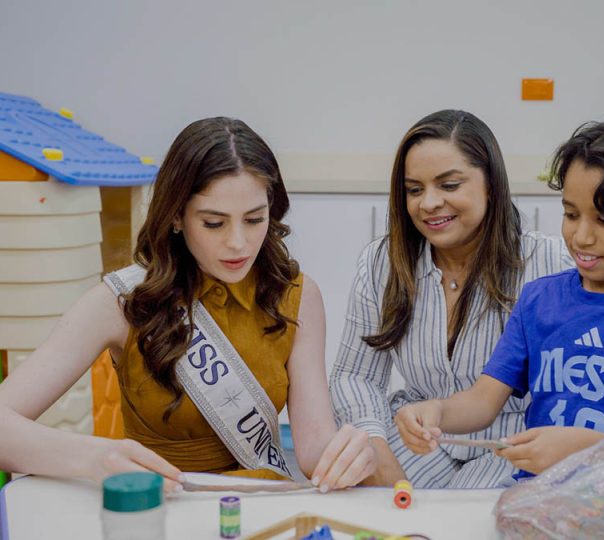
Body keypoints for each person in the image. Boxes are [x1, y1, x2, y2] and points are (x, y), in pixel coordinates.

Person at [330, 109, 604, 489]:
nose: (582, 236)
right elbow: (478, 398)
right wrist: (427, 414)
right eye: (571, 214)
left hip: (586, 479)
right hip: (515, 474)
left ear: (491, 186)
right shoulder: (539, 296)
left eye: (449, 184)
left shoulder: (566, 267)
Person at [0, 117, 375, 494]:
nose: (238, 243)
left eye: (254, 219)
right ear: (177, 216)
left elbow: (314, 448)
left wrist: (349, 457)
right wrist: (93, 457)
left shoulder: (297, 296)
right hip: (160, 505)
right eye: (214, 223)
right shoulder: (122, 301)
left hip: (260, 505)